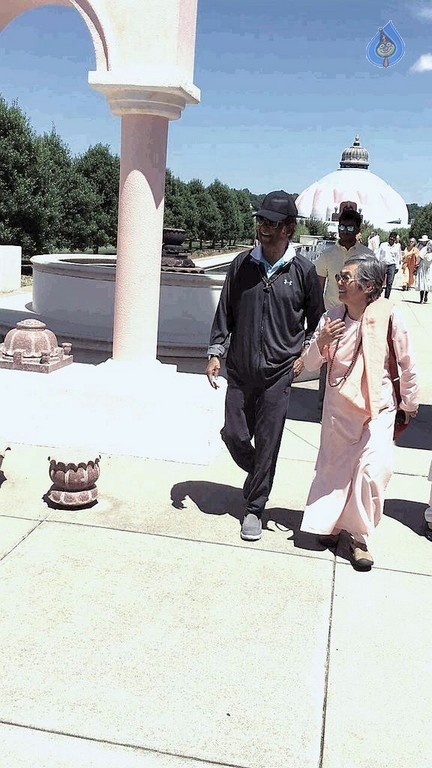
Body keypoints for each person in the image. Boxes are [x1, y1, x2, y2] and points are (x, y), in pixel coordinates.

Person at [205, 190, 324, 541]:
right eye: (260, 221)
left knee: (269, 441)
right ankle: (260, 471)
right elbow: (225, 311)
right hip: (241, 369)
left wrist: (305, 353)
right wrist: (216, 352)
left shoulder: (303, 271)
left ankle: (255, 507)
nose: (263, 228)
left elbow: (316, 322)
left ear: (289, 228)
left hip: (279, 374)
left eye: (271, 223)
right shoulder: (242, 265)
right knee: (234, 434)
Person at [300, 256, 419, 569]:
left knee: (371, 471)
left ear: (367, 287)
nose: (339, 282)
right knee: (333, 470)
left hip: (377, 409)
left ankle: (358, 537)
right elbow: (311, 364)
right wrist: (321, 341)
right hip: (338, 411)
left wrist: (409, 401)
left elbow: (407, 362)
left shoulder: (390, 315)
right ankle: (330, 524)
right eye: (340, 276)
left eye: (346, 278)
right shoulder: (332, 318)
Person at [313, 206, 374, 416]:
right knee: (327, 363)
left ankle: (354, 406)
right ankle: (323, 408)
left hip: (359, 319)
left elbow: (374, 289)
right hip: (333, 318)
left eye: (349, 227)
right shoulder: (327, 256)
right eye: (342, 227)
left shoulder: (367, 255)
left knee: (356, 361)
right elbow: (317, 289)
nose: (345, 231)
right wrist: (320, 319)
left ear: (358, 229)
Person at [378, 231, 402, 298]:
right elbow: (379, 254)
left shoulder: (397, 247)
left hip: (392, 265)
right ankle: (378, 296)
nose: (392, 239)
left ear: (395, 239)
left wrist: (397, 267)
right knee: (380, 282)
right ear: (389, 237)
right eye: (391, 237)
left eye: (393, 238)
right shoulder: (383, 245)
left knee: (389, 283)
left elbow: (397, 257)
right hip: (383, 265)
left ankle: (386, 298)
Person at [415, 239, 432, 303]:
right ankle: (421, 298)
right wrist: (416, 266)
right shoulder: (424, 249)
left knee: (428, 283)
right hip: (422, 268)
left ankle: (426, 296)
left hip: (429, 269)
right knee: (422, 283)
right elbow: (420, 257)